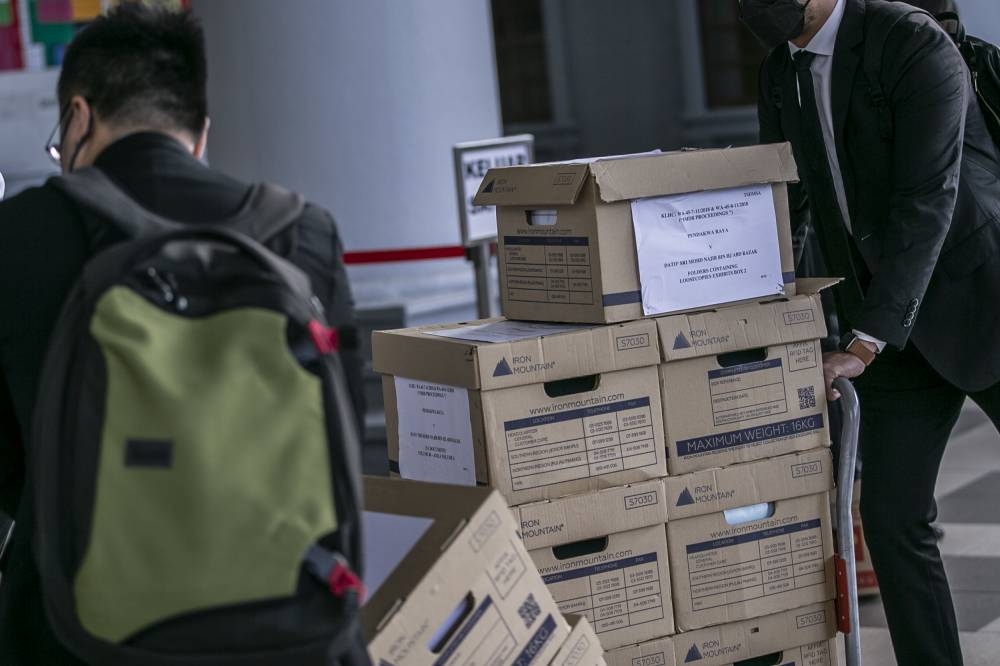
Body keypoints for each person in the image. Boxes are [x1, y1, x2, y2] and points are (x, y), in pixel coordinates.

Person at [0, 6, 364, 664]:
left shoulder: (16, 237)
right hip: (281, 631)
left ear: (78, 118)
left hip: (71, 633)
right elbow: (342, 430)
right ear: (199, 134)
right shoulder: (305, 235)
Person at [743, 0, 1000, 663]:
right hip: (885, 325)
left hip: (982, 296)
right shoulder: (779, 73)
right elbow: (793, 205)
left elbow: (928, 199)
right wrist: (782, 324)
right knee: (891, 520)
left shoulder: (908, 42)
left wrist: (866, 340)